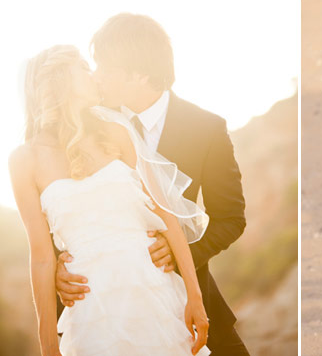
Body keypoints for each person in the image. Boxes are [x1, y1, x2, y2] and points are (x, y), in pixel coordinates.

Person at [54, 13, 249, 355]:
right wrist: (59, 265)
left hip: (191, 304)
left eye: (104, 66)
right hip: (99, 310)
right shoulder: (83, 124)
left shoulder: (206, 129)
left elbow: (231, 219)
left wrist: (180, 251)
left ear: (139, 73)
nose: (95, 77)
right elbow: (59, 203)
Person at [9, 46, 211, 355]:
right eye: (84, 68)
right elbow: (41, 257)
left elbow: (166, 214)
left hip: (153, 291)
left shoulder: (117, 132)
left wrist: (195, 296)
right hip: (93, 307)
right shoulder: (25, 160)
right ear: (62, 80)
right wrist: (48, 345)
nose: (93, 76)